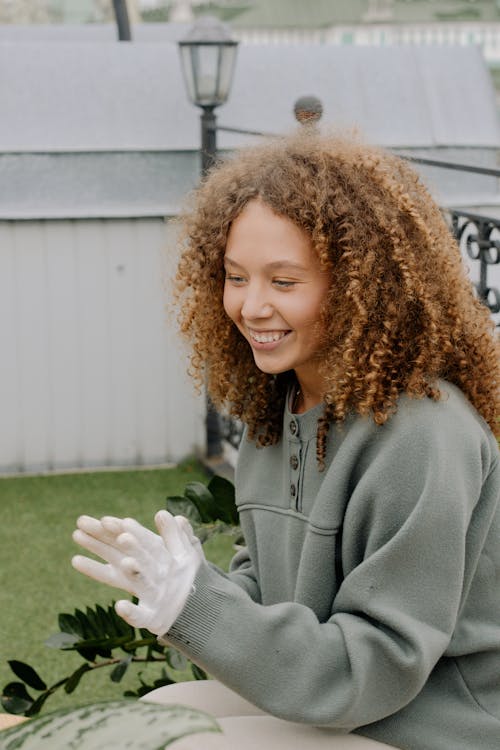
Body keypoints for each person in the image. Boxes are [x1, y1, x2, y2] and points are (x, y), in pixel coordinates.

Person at [72, 132, 500, 750]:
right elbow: (275, 592)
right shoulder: (281, 412)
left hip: (444, 724)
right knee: (160, 713)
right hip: (358, 706)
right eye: (236, 277)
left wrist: (197, 605)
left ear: (362, 288)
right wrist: (189, 589)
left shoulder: (423, 435)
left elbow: (376, 666)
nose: (251, 306)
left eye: (285, 282)